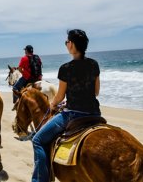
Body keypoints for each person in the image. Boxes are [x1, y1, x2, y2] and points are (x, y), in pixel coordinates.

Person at [31, 29, 101, 182]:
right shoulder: (94, 64)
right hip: (95, 114)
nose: (66, 44)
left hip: (73, 115)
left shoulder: (66, 68)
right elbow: (96, 92)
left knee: (37, 140)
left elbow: (60, 96)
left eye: (67, 41)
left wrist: (53, 104)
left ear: (72, 45)